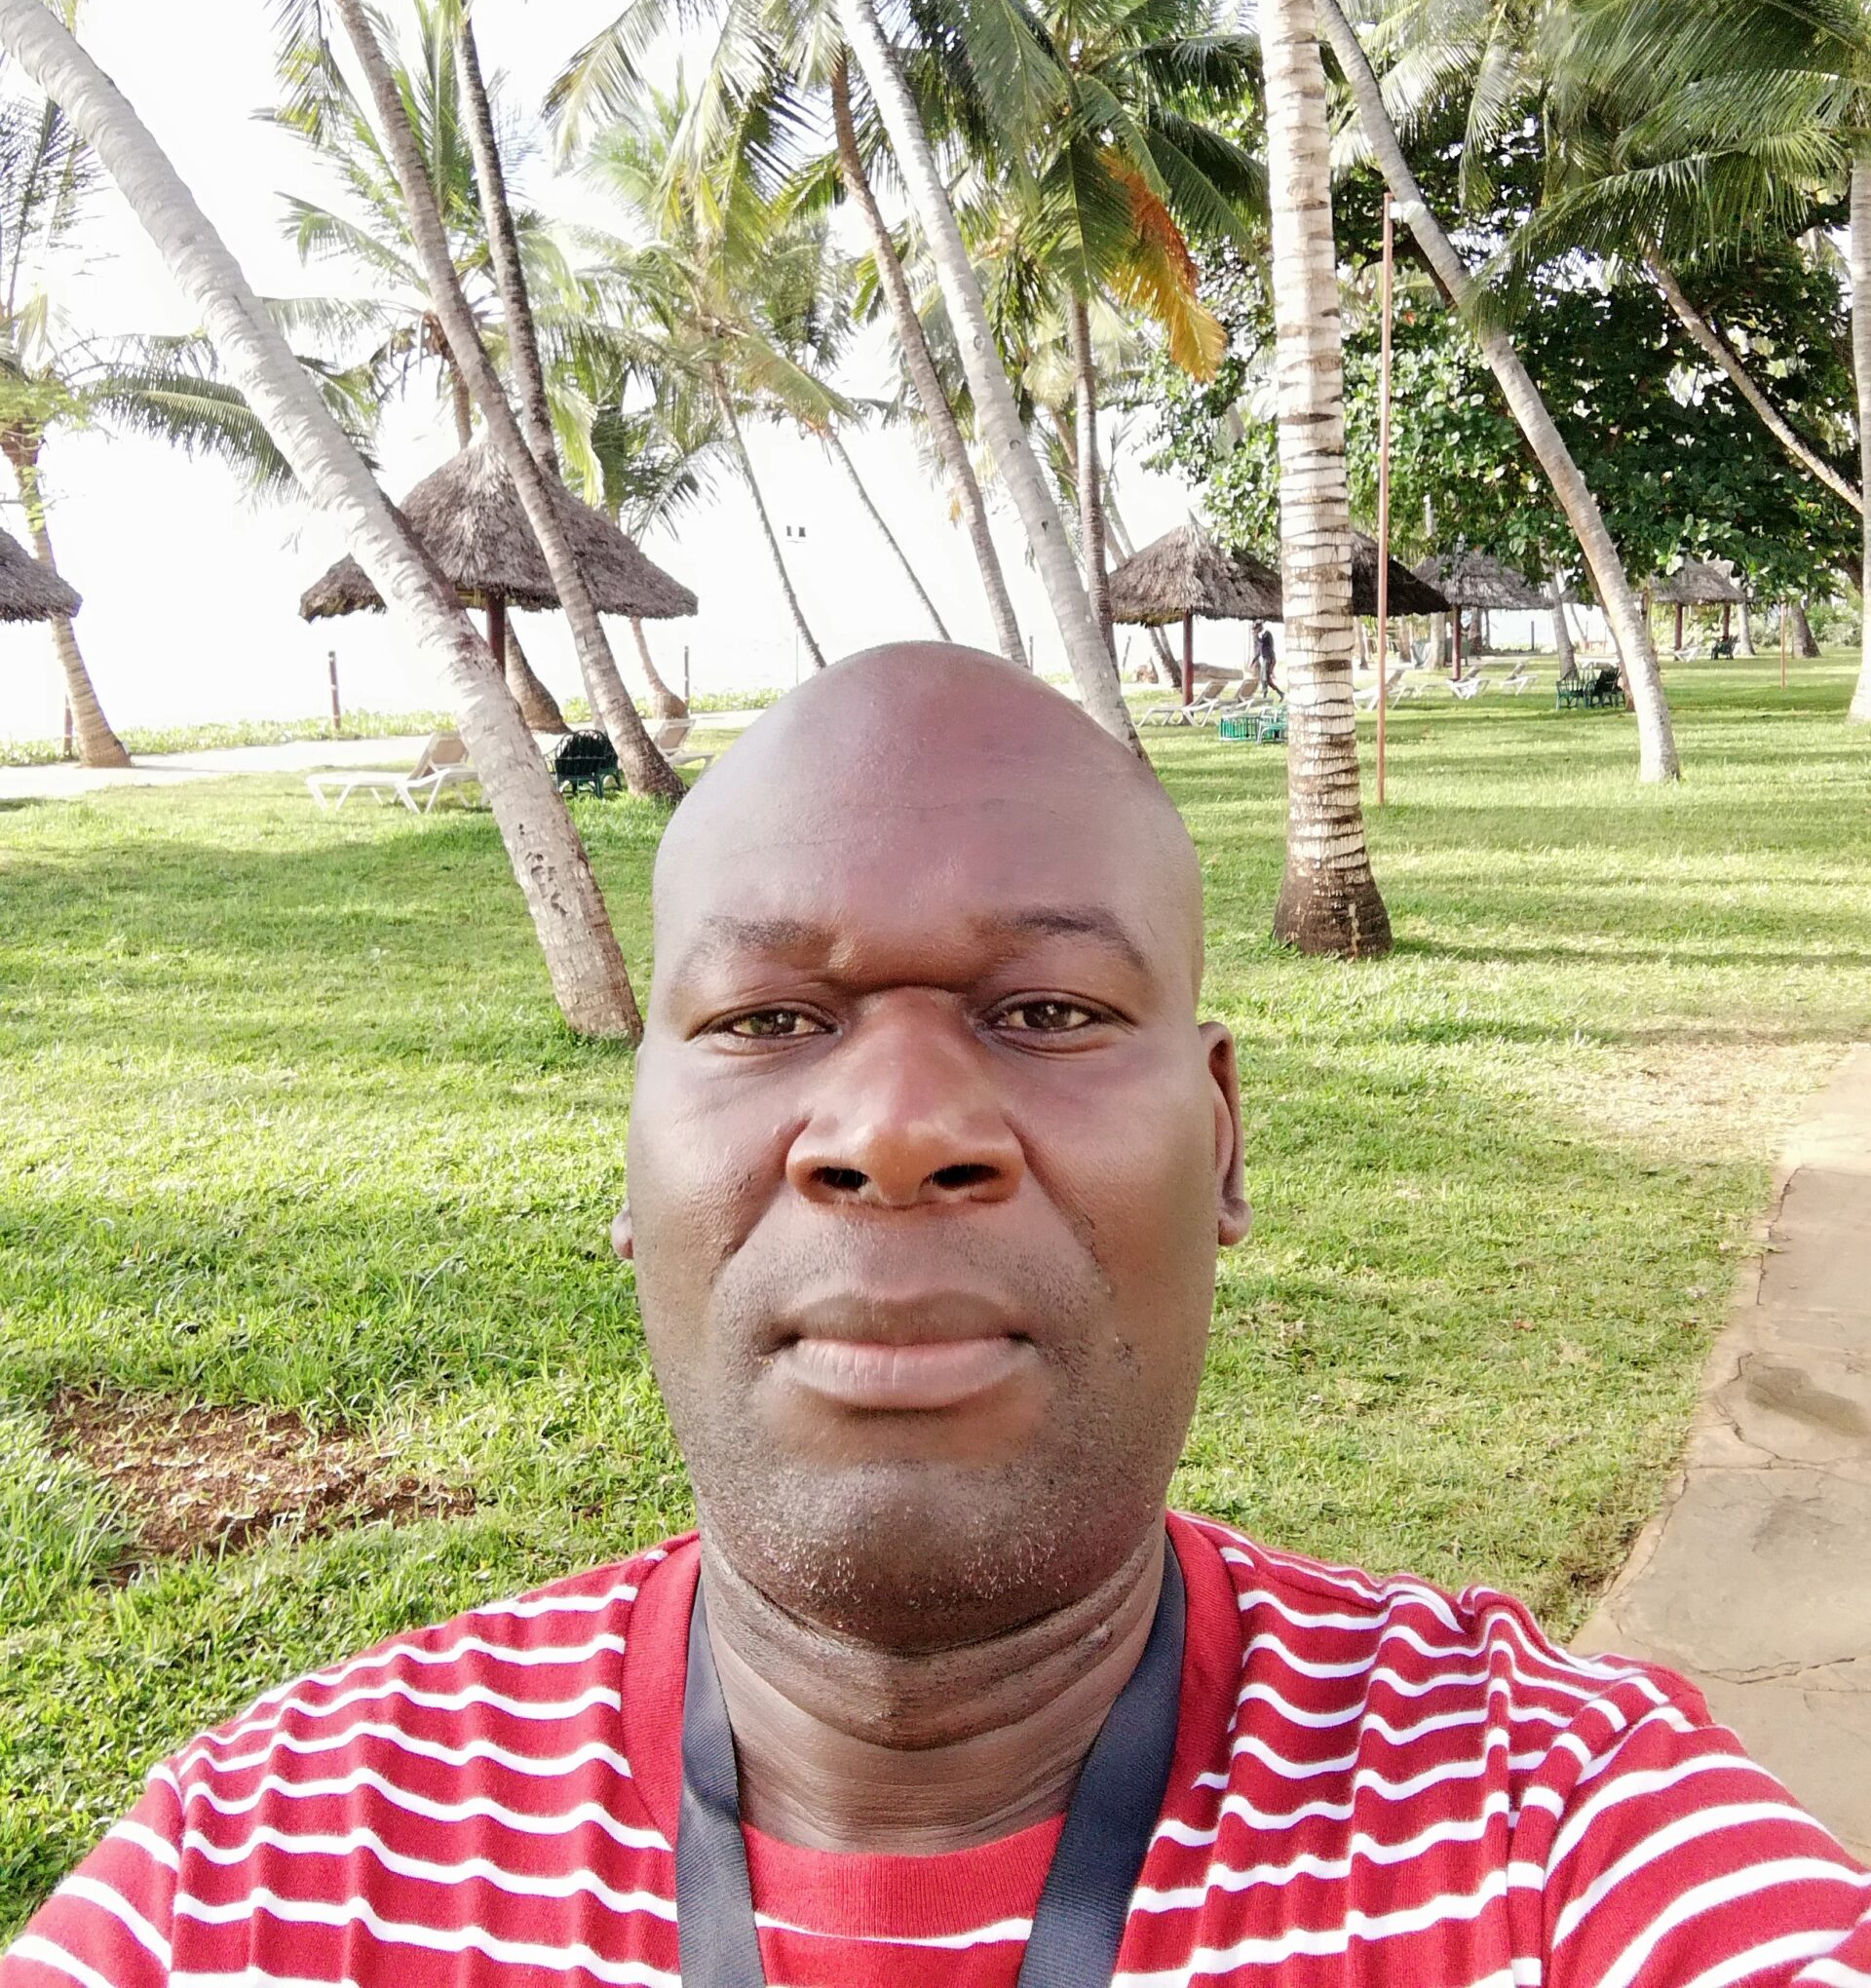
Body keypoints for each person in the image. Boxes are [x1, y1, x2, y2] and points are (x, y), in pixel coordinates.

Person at [7, 644, 1868, 1988]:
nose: (894, 1131)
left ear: (1222, 1139)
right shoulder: (272, 1869)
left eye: (1047, 1012)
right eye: (766, 1022)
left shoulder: (1561, 1836)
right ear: (630, 1153)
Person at [1255, 620, 1280, 697]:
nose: (1256, 630)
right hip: (1265, 658)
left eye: (1257, 628)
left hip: (1269, 658)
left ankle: (1264, 694)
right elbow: (1259, 651)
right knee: (1266, 680)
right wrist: (1253, 661)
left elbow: (1264, 642)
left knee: (1264, 678)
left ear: (1260, 627)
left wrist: (1257, 637)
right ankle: (1281, 693)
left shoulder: (1267, 634)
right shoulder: (1261, 636)